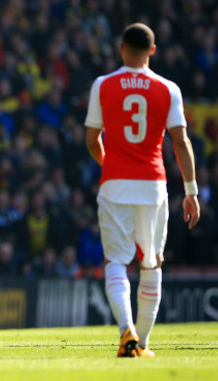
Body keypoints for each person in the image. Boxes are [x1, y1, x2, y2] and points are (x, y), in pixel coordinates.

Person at [85, 23, 200, 358]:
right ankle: (143, 345)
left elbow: (92, 141)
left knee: (116, 261)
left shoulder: (102, 85)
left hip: (115, 184)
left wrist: (108, 164)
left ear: (122, 48)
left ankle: (127, 333)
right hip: (153, 185)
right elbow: (181, 142)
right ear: (152, 50)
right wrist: (191, 191)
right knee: (151, 263)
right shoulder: (168, 89)